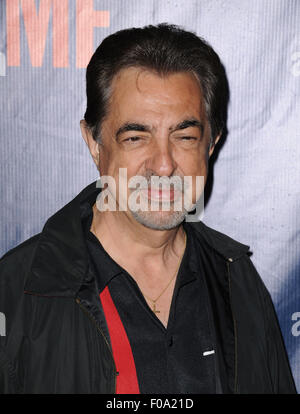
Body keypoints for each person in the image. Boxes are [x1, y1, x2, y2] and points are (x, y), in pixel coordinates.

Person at [0, 23, 296, 394]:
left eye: (185, 137)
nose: (163, 164)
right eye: (136, 137)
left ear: (211, 144)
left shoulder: (237, 282)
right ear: (94, 143)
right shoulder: (15, 295)